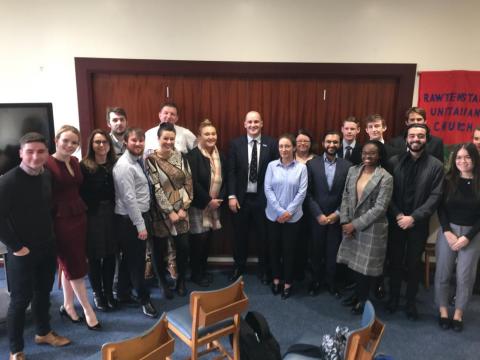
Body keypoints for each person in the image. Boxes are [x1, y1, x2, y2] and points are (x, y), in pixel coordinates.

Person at [0, 133, 71, 360]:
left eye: (40, 151)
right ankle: (15, 350)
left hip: (46, 246)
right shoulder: (7, 181)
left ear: (46, 153)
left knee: (43, 294)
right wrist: (17, 247)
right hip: (21, 252)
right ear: (21, 153)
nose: (35, 156)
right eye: (29, 151)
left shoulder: (46, 175)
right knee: (20, 301)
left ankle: (43, 332)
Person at [45, 125, 100, 330]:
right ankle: (87, 309)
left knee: (70, 262)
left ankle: (68, 305)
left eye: (74, 142)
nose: (70, 145)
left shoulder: (75, 161)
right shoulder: (48, 163)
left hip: (79, 216)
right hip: (61, 220)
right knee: (75, 265)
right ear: (56, 139)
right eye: (65, 140)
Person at [387, 123, 444, 320]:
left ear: (426, 139)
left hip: (418, 224)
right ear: (406, 138)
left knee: (413, 265)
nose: (416, 139)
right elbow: (388, 193)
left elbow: (435, 197)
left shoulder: (436, 166)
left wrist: (414, 217)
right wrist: (398, 215)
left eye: (420, 136)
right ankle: (393, 298)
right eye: (412, 136)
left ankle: (410, 302)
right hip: (396, 222)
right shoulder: (393, 162)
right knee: (394, 262)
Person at [337, 140, 393, 314]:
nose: (367, 156)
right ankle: (356, 294)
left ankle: (363, 300)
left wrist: (354, 225)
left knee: (365, 269)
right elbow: (346, 195)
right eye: (365, 153)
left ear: (379, 155)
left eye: (372, 153)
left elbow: (380, 208)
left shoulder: (385, 177)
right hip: (350, 226)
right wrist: (345, 221)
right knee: (353, 264)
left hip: (371, 229)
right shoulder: (353, 170)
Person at [227, 110, 279, 283]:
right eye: (250, 122)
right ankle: (238, 267)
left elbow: (275, 173)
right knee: (239, 236)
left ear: (262, 123)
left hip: (263, 200)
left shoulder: (272, 144)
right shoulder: (236, 144)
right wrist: (232, 195)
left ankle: (264, 270)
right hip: (241, 199)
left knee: (263, 237)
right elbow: (231, 172)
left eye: (256, 122)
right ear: (244, 124)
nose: (253, 125)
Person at [113, 128, 158, 318]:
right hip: (131, 220)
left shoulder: (137, 161)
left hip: (138, 217)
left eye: (141, 141)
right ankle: (144, 299)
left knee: (128, 259)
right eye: (134, 141)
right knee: (138, 262)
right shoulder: (124, 166)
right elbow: (129, 199)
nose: (138, 144)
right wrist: (140, 225)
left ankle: (122, 293)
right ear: (125, 142)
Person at [435, 143, 480, 332]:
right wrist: (446, 231)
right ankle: (443, 311)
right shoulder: (448, 180)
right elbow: (441, 208)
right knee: (443, 274)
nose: (462, 161)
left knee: (465, 277)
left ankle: (458, 314)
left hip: (473, 234)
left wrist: (468, 237)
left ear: (474, 159)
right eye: (459, 157)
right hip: (448, 232)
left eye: (467, 157)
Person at [146, 122, 193, 296]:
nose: (168, 141)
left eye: (171, 138)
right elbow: (156, 188)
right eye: (165, 138)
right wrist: (169, 211)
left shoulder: (181, 157)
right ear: (158, 139)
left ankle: (181, 281)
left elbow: (188, 183)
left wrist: (183, 208)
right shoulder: (150, 159)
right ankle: (162, 283)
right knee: (159, 250)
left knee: (183, 248)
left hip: (181, 211)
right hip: (160, 213)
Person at [306, 131, 351, 297]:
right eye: (328, 142)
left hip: (336, 219)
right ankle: (316, 281)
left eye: (335, 142)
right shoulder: (312, 164)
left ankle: (331, 283)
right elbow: (308, 194)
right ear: (323, 143)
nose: (332, 145)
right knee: (316, 251)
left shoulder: (348, 166)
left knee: (333, 253)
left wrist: (337, 214)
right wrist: (318, 214)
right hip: (316, 218)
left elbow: (348, 194)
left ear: (340, 144)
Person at [264, 133, 308, 299]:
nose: (284, 149)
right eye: (281, 146)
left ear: (293, 148)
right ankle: (276, 280)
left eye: (287, 146)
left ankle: (288, 283)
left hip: (294, 217)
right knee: (274, 249)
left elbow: (302, 192)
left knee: (290, 251)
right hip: (273, 216)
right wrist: (280, 211)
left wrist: (288, 212)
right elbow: (267, 189)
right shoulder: (271, 166)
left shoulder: (301, 168)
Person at [80, 129, 118, 311]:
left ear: (109, 145)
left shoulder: (115, 164)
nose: (101, 145)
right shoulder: (84, 166)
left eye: (104, 142)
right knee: (95, 256)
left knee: (111, 255)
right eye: (97, 142)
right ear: (91, 145)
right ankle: (98, 293)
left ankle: (109, 292)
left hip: (112, 213)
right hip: (92, 215)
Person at [186, 119, 226, 287]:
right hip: (199, 205)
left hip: (215, 205)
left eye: (213, 133)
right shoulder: (192, 155)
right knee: (198, 241)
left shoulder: (220, 155)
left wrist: (218, 200)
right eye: (207, 134)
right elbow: (193, 182)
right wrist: (208, 201)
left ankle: (202, 270)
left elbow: (226, 179)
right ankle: (196, 274)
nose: (211, 137)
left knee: (208, 239)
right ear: (199, 136)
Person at [294, 129, 317, 281]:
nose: (302, 143)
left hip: (311, 206)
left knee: (309, 239)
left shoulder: (317, 160)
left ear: (310, 144)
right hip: (292, 206)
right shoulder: (288, 157)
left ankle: (307, 268)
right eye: (299, 141)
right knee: (294, 239)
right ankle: (295, 268)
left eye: (306, 141)